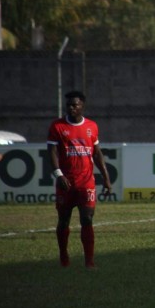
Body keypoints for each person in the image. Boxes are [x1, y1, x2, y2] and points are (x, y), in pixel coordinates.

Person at [47, 91, 111, 268]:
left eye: (75, 104)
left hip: (86, 183)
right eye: (68, 104)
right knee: (63, 220)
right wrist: (58, 174)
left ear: (82, 106)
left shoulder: (92, 126)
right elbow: (51, 152)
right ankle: (63, 257)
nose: (71, 107)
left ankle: (89, 262)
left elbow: (97, 154)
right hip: (65, 183)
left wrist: (106, 178)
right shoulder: (57, 126)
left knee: (87, 219)